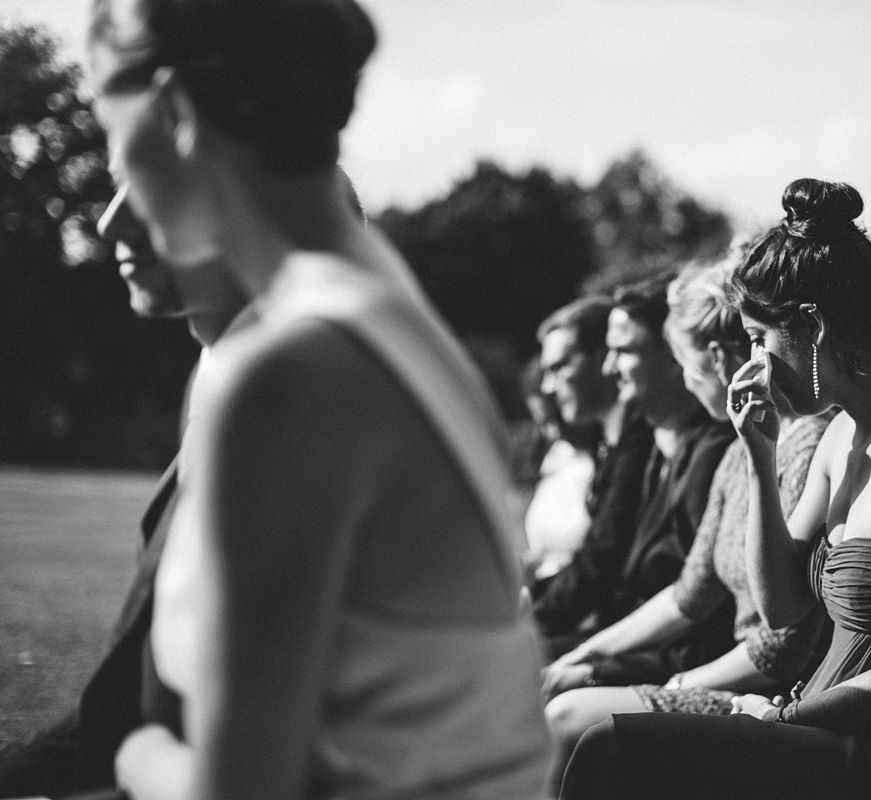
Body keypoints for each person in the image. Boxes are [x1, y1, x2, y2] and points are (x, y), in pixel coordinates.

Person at [87, 1, 549, 798]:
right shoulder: (391, 315)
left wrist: (133, 757)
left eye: (109, 134)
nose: (105, 215)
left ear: (172, 110)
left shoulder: (286, 369)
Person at [560, 178, 871, 800]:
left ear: (812, 326)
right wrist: (758, 451)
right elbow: (780, 607)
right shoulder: (841, 435)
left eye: (758, 338)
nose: (752, 359)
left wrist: (778, 719)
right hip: (821, 726)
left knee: (609, 750)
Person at [542, 256, 829, 792]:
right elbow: (689, 593)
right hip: (727, 676)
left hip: (769, 694)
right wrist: (590, 649)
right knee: (559, 697)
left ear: (717, 358)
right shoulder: (736, 453)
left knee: (563, 720)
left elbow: (782, 643)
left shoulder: (806, 447)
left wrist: (678, 685)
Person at [0, 185, 247, 800]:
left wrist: (133, 761)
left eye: (151, 183)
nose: (108, 223)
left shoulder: (284, 391)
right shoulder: (213, 367)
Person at [537, 275, 736, 684]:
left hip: (686, 658)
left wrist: (591, 662)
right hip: (640, 641)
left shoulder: (712, 447)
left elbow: (702, 603)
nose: (610, 368)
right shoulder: (665, 446)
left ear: (671, 355)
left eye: (623, 351)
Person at [529, 295, 656, 650]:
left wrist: (529, 620)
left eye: (560, 367)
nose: (548, 387)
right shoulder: (609, 442)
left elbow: (603, 561)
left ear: (602, 357)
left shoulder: (641, 440)